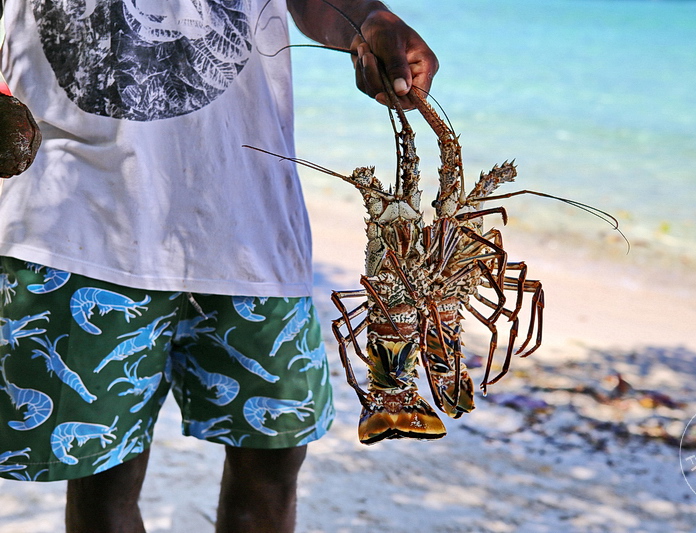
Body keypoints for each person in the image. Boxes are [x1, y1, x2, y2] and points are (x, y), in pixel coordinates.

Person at [0, 1, 437, 531]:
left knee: (272, 466)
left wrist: (368, 20)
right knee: (101, 477)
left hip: (251, 224)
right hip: (77, 216)